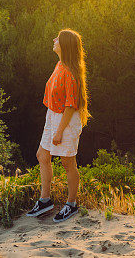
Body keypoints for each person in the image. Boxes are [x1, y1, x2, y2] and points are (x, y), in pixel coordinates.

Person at [26, 29, 90, 223]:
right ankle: (45, 200)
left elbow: (71, 105)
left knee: (68, 163)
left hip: (66, 120)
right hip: (53, 115)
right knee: (42, 155)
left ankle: (71, 204)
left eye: (58, 39)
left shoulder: (71, 72)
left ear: (65, 46)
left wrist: (59, 131)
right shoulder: (60, 65)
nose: (54, 40)